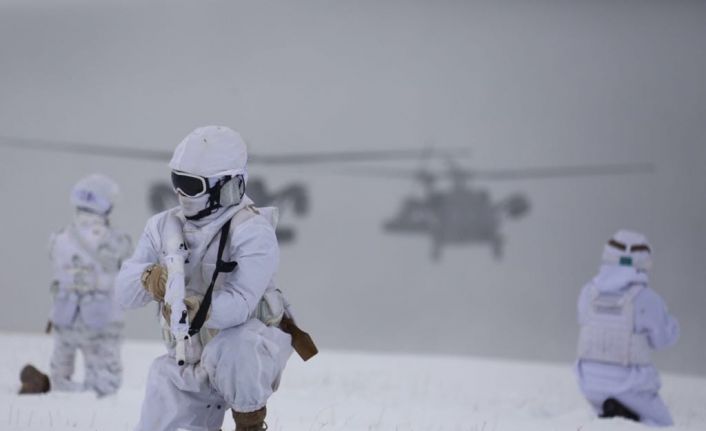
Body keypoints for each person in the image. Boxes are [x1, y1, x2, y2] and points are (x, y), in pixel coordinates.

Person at [115, 125, 316, 431]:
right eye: (177, 181)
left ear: (225, 185)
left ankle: (249, 423)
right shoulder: (162, 227)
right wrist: (150, 279)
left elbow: (240, 303)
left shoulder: (252, 231)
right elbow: (122, 293)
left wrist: (201, 309)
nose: (181, 194)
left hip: (249, 353)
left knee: (234, 346)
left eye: (191, 185)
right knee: (160, 388)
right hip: (187, 356)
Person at [19, 174, 132, 397]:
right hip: (101, 318)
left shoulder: (60, 237)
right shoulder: (114, 240)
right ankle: (78, 395)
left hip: (64, 313)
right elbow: (125, 273)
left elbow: (58, 274)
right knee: (106, 383)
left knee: (61, 372)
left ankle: (54, 389)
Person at [575, 229, 679, 426]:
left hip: (589, 382)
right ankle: (627, 415)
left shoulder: (588, 292)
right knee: (663, 424)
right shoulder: (646, 299)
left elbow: (583, 319)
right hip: (631, 383)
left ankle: (615, 415)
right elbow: (663, 339)